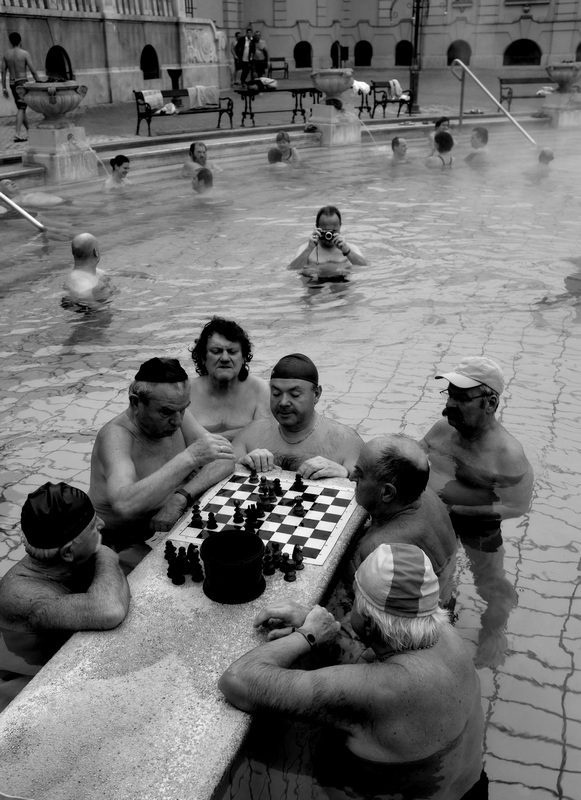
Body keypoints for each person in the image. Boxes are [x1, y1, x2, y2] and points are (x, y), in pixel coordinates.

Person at [219, 543, 486, 800]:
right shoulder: (448, 636)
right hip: (472, 789)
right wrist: (318, 623)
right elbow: (379, 650)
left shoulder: (380, 689)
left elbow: (237, 680)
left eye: (355, 598)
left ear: (368, 624)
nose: (351, 605)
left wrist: (308, 635)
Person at [420, 356, 534, 667]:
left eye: (462, 397)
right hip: (438, 516)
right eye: (450, 394)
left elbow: (517, 506)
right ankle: (440, 618)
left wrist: (456, 510)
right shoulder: (443, 429)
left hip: (478, 524)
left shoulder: (507, 454)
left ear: (491, 402)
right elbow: (414, 458)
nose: (450, 405)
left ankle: (494, 631)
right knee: (431, 574)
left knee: (492, 584)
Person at [89, 357, 234, 569]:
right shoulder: (116, 436)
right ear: (136, 402)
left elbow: (226, 459)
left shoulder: (176, 414)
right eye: (166, 412)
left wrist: (180, 497)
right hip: (116, 541)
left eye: (183, 409)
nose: (177, 421)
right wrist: (189, 459)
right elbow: (124, 504)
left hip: (165, 526)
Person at [0, 482, 130, 712]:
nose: (102, 524)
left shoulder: (61, 562)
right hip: (20, 679)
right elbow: (110, 610)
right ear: (68, 552)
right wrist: (106, 555)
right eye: (93, 527)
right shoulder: (24, 596)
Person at [348, 435, 457, 603]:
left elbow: (366, 611)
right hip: (444, 599)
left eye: (360, 475)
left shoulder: (380, 549)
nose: (351, 477)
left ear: (387, 493)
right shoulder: (425, 494)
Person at [233, 352, 363, 477]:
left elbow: (372, 490)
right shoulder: (250, 435)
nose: (283, 402)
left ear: (316, 394)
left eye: (295, 395)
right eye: (276, 394)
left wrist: (344, 474)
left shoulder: (346, 442)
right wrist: (241, 464)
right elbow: (221, 470)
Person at [189, 316, 270, 441]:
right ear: (202, 357)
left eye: (232, 351)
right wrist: (243, 432)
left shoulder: (261, 390)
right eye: (216, 351)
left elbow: (263, 437)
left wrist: (206, 437)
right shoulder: (187, 392)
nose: (225, 358)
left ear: (244, 357)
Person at [288, 205, 367, 282]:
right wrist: (309, 249)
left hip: (341, 283)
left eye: (333, 231)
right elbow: (291, 269)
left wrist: (347, 251)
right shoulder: (306, 248)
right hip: (314, 283)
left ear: (340, 226)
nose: (328, 235)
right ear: (317, 227)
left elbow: (366, 266)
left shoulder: (349, 248)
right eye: (325, 231)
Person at [1, 32, 41, 142]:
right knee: (21, 108)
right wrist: (39, 81)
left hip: (12, 83)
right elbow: (33, 70)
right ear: (20, 41)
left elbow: (3, 71)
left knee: (21, 107)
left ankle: (29, 132)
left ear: (10, 42)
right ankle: (17, 134)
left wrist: (4, 87)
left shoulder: (6, 55)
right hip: (22, 82)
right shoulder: (24, 53)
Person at [62, 232, 113, 307]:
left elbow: (113, 273)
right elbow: (85, 301)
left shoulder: (93, 272)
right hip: (90, 314)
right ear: (96, 252)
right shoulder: (82, 281)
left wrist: (135, 274)